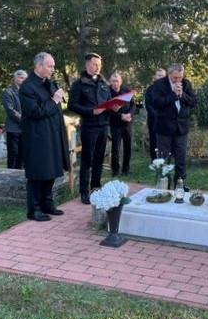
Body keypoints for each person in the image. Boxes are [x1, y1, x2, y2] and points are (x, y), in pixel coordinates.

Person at [19, 52, 69, 221]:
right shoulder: (27, 87)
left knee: (50, 170)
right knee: (37, 173)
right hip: (37, 137)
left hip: (52, 134)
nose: (53, 69)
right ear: (39, 66)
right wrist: (54, 101)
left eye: (53, 66)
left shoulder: (49, 83)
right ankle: (34, 209)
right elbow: (35, 112)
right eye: (50, 66)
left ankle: (47, 204)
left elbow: (56, 109)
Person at [69, 52, 110, 205]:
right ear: (87, 65)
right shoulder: (78, 84)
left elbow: (108, 101)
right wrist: (91, 111)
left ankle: (96, 187)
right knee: (87, 160)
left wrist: (114, 107)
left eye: (99, 65)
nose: (97, 67)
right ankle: (84, 192)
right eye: (94, 64)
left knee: (99, 158)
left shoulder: (104, 83)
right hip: (89, 127)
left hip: (103, 126)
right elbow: (72, 105)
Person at [151, 63, 197, 187]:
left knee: (181, 158)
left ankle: (179, 185)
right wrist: (173, 94)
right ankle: (165, 186)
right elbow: (156, 103)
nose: (178, 80)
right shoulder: (159, 85)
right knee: (164, 159)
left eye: (180, 77)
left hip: (181, 128)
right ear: (169, 74)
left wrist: (182, 95)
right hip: (164, 128)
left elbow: (193, 101)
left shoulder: (186, 84)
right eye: (175, 77)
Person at [108, 72, 134, 177]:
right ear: (110, 82)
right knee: (115, 149)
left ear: (121, 81)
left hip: (127, 123)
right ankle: (115, 170)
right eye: (113, 81)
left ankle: (125, 170)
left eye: (117, 81)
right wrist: (120, 116)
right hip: (115, 124)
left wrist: (129, 114)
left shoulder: (126, 90)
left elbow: (133, 105)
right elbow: (106, 111)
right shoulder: (107, 92)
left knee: (128, 148)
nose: (115, 83)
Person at [2, 69, 27, 169]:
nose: (24, 80)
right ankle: (10, 175)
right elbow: (10, 110)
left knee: (23, 154)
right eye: (21, 78)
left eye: (25, 78)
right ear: (15, 79)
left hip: (25, 129)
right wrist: (24, 120)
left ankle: (21, 174)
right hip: (14, 129)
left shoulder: (28, 92)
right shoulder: (8, 92)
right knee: (13, 154)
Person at [144, 68, 166, 160]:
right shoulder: (150, 90)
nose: (161, 77)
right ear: (155, 77)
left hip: (166, 120)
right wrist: (157, 115)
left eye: (162, 75)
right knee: (154, 141)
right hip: (153, 120)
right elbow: (148, 105)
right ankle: (154, 160)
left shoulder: (168, 89)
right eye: (159, 75)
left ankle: (165, 159)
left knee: (165, 141)